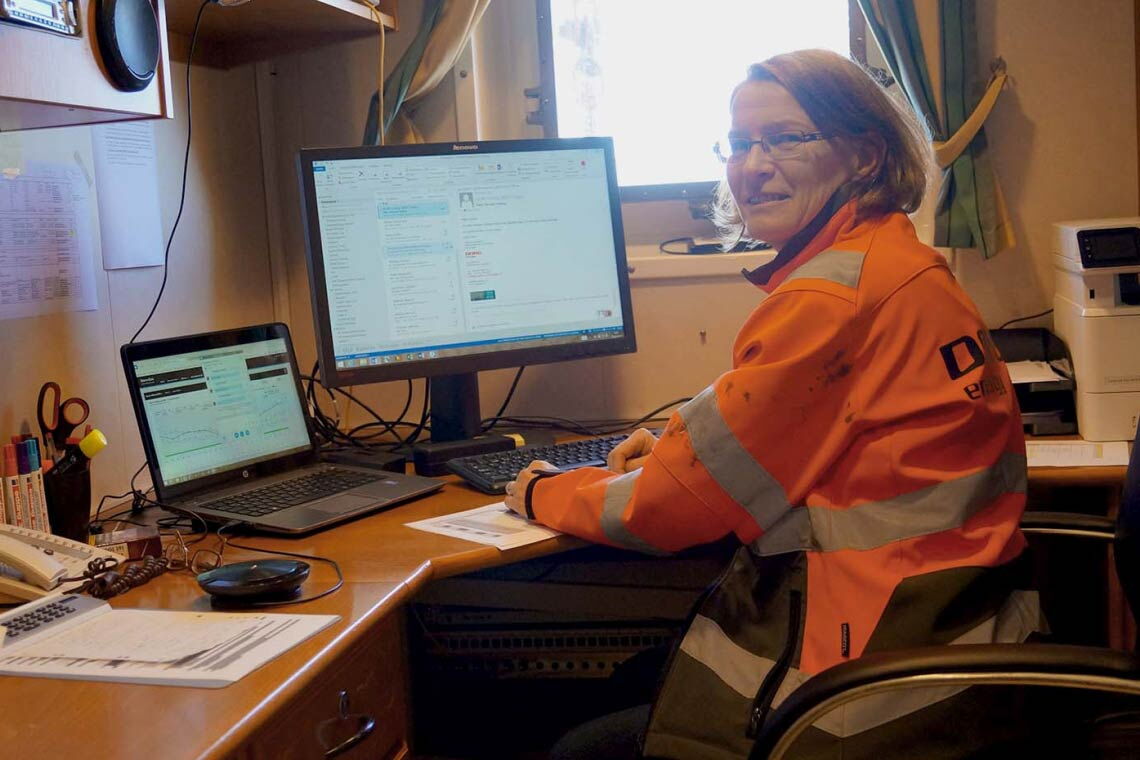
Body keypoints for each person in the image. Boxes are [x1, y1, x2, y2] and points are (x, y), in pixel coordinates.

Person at [505, 49, 1038, 759]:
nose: (753, 165)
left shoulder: (829, 299)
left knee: (577, 743)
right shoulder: (896, 261)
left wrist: (540, 491)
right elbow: (818, 410)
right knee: (637, 677)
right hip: (953, 625)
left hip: (867, 684)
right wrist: (674, 434)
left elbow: (662, 514)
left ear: (864, 155)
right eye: (740, 142)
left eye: (786, 139)